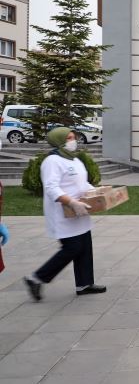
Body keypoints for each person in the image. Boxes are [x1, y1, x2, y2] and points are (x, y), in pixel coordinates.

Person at [23, 128, 106, 301]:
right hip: (64, 213)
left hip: (81, 211)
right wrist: (71, 202)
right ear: (58, 140)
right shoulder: (52, 161)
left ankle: (84, 284)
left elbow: (83, 184)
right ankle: (36, 278)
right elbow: (51, 188)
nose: (73, 140)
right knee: (72, 248)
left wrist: (97, 192)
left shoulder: (74, 160)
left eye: (73, 137)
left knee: (84, 247)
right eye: (68, 138)